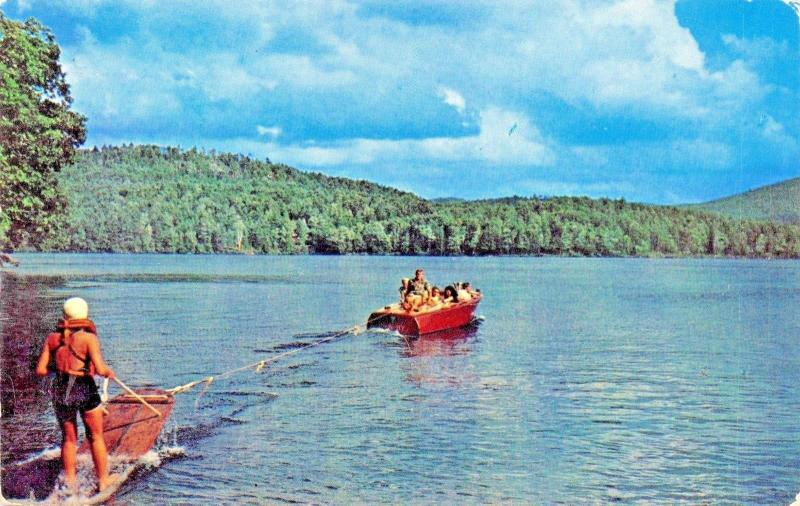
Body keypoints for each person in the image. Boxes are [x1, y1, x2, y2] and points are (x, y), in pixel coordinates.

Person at [36, 297, 116, 492]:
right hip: (83, 388)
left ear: (65, 315)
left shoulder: (51, 338)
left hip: (61, 389)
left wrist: (62, 370)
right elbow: (99, 368)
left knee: (68, 438)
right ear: (84, 315)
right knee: (96, 436)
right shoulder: (89, 338)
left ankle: (70, 483)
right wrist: (108, 372)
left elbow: (40, 370)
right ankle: (104, 480)